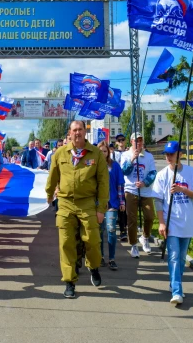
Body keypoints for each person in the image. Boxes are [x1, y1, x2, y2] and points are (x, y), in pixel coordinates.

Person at [46, 120, 109, 299]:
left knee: (93, 241)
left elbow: (103, 183)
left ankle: (93, 266)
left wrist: (101, 208)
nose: (78, 133)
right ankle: (69, 282)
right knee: (66, 244)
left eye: (80, 129)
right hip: (65, 203)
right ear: (70, 133)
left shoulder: (96, 154)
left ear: (85, 132)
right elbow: (53, 176)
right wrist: (49, 194)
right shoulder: (60, 153)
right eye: (74, 130)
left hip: (88, 203)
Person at [153, 141, 193, 305]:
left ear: (179, 154)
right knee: (174, 256)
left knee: (181, 258)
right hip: (171, 222)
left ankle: (175, 284)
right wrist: (161, 223)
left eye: (172, 154)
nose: (168, 157)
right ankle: (177, 291)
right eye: (166, 154)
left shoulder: (190, 172)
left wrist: (183, 190)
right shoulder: (162, 175)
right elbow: (158, 201)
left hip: (187, 221)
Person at [120, 132, 157, 258]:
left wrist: (145, 182)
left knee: (150, 216)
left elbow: (152, 173)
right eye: (136, 141)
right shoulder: (125, 155)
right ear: (131, 142)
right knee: (132, 219)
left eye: (141, 141)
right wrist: (132, 159)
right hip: (130, 190)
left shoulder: (149, 156)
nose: (139, 143)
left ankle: (145, 237)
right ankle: (133, 244)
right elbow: (124, 171)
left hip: (145, 190)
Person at [97, 141, 125, 270]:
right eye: (100, 151)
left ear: (108, 152)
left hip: (112, 203)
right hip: (98, 204)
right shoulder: (93, 166)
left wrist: (122, 202)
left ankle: (112, 258)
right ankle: (101, 256)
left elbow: (120, 185)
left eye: (105, 151)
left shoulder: (115, 166)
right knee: (99, 231)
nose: (103, 153)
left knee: (111, 230)